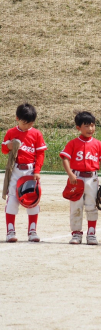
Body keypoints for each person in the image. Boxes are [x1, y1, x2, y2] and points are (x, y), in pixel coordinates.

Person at [60, 111, 101, 245]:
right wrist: (70, 173)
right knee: (76, 205)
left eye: (92, 125)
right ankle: (76, 233)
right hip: (77, 178)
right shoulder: (73, 143)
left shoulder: (98, 144)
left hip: (92, 179)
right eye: (86, 126)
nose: (90, 129)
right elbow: (65, 158)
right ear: (78, 128)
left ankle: (91, 233)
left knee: (92, 205)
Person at [2, 103, 47, 243]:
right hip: (15, 170)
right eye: (24, 122)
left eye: (30, 123)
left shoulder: (36, 133)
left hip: (30, 170)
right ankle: (10, 231)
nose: (27, 126)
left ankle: (32, 231)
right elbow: (4, 150)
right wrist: (9, 146)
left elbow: (40, 153)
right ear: (17, 118)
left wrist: (37, 170)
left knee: (32, 199)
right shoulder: (11, 132)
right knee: (12, 200)